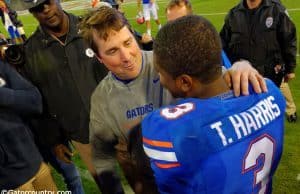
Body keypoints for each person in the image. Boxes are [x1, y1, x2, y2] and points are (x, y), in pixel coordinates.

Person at [79, 6, 267, 194]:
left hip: (204, 178)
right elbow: (102, 156)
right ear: (99, 57)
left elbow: (216, 81)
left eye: (128, 42)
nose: (126, 57)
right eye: (112, 51)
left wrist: (241, 67)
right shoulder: (102, 99)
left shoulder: (170, 60)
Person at [142, 15, 285, 194]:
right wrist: (242, 63)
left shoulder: (166, 130)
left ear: (185, 82)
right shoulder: (270, 91)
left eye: (160, 72)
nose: (159, 78)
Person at [10, 0, 108, 192]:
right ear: (31, 12)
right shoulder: (31, 52)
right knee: (108, 187)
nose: (46, 10)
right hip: (82, 136)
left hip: (120, 125)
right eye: (38, 8)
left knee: (148, 178)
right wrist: (54, 139)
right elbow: (40, 103)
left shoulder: (91, 30)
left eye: (47, 2)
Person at [220, 0, 297, 122]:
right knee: (251, 118)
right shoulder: (233, 14)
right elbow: (223, 44)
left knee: (270, 117)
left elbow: (288, 39)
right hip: (244, 79)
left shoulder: (276, 10)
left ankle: (290, 111)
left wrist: (290, 67)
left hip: (270, 75)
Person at [0, 59, 57, 191]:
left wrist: (3, 95)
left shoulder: (2, 67)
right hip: (8, 182)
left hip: (35, 163)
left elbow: (35, 101)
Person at [165, 0, 231, 69]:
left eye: (181, 21)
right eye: (171, 23)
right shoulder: (166, 50)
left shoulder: (209, 46)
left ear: (191, 20)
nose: (176, 28)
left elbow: (227, 72)